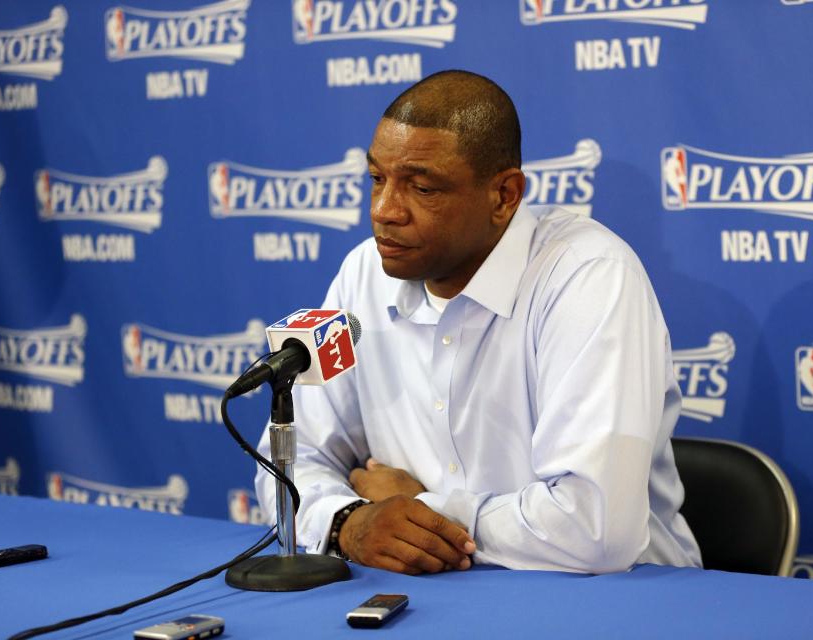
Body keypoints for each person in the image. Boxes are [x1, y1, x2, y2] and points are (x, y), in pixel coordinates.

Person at [255, 70, 701, 575]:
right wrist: (350, 525)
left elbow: (594, 532)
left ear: (504, 196)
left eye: (421, 187)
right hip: (436, 601)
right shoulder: (363, 273)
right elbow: (293, 460)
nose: (383, 211)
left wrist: (427, 507)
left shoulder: (587, 277)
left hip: (619, 606)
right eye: (377, 179)